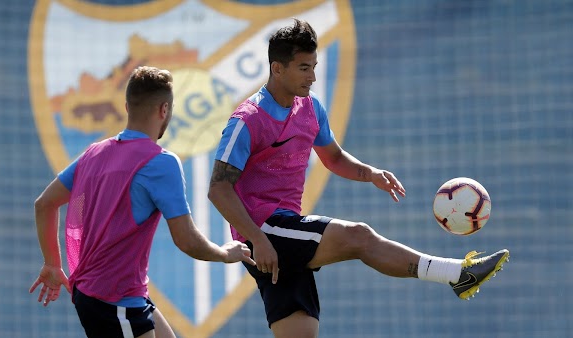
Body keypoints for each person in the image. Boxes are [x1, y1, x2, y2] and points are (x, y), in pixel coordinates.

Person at [208, 19, 510, 338]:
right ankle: (457, 274)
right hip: (265, 230)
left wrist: (371, 174)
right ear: (277, 69)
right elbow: (218, 189)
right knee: (359, 237)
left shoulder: (310, 109)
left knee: (301, 334)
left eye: (314, 66)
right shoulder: (248, 119)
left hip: (284, 231)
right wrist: (256, 239)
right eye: (303, 68)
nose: (312, 76)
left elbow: (334, 157)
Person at [29, 66, 255, 338]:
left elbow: (44, 204)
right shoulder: (161, 162)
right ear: (164, 110)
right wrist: (224, 253)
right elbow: (186, 240)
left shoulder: (93, 153)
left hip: (104, 294)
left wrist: (53, 264)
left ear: (127, 106)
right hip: (114, 300)